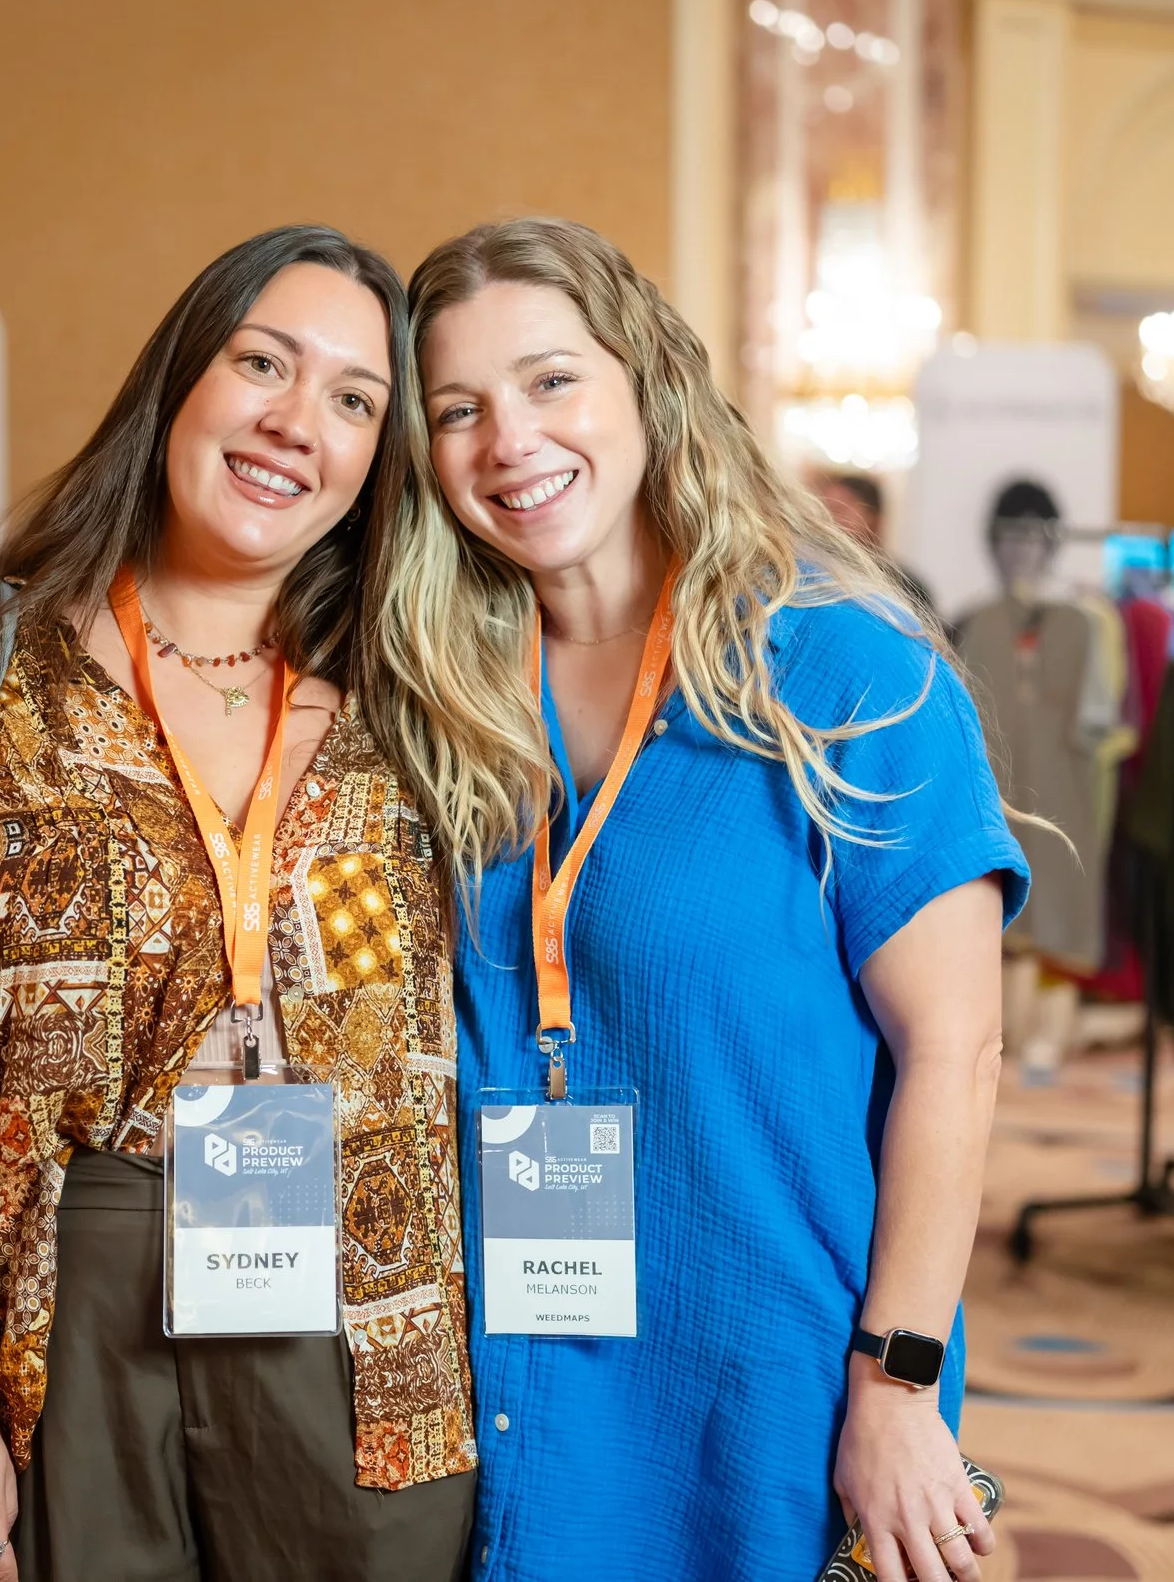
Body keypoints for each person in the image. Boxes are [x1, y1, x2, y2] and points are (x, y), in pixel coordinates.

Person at [0, 225, 478, 1582]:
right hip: (62, 1307)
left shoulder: (422, 691)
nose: (296, 421)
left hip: (369, 1324)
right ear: (179, 376)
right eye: (262, 362)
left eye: (354, 399)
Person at [365, 219, 1027, 1582]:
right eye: (458, 408)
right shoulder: (437, 690)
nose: (510, 439)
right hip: (503, 1373)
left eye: (552, 380)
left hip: (774, 1370)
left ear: (648, 380)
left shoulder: (845, 673)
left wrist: (898, 1381)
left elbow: (955, 1051)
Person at [816, 468, 939, 625]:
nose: (829, 523)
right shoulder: (813, 578)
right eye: (823, 512)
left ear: (874, 519)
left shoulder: (905, 584)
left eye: (840, 510)